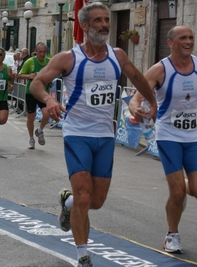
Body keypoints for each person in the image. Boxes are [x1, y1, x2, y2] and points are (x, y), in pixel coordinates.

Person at [29, 2, 157, 266]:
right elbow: (36, 83)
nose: (104, 25)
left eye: (107, 20)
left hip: (105, 137)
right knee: (85, 196)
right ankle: (82, 254)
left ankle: (67, 202)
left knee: (96, 201)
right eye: (98, 21)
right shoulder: (68, 58)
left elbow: (136, 77)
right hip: (77, 134)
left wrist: (152, 100)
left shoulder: (117, 55)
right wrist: (49, 101)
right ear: (84, 26)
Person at [129, 25, 197, 255]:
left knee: (193, 189)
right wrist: (136, 109)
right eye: (183, 38)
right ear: (170, 43)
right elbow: (135, 98)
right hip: (169, 136)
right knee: (176, 192)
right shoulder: (160, 70)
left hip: (195, 137)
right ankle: (172, 235)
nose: (188, 41)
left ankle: (182, 189)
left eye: (191, 37)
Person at [17, 42, 51, 149]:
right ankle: (31, 138)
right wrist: (29, 76)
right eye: (40, 52)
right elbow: (19, 75)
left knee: (47, 114)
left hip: (43, 93)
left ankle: (40, 131)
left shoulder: (49, 62)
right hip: (31, 92)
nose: (42, 54)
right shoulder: (29, 62)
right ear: (35, 52)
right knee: (31, 117)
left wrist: (50, 81)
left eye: (44, 52)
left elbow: (51, 75)